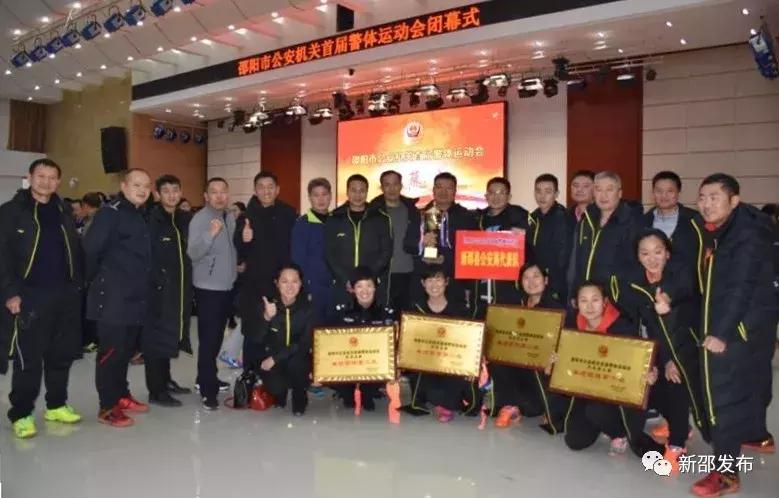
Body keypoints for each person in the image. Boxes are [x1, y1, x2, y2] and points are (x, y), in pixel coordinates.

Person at [688, 174, 778, 497]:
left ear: (734, 200)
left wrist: (721, 333)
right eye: (702, 197)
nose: (706, 204)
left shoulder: (746, 235)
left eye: (714, 197)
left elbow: (740, 286)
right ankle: (756, 435)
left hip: (738, 327)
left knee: (723, 397)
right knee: (751, 385)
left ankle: (726, 475)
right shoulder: (732, 227)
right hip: (756, 325)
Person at [0, 159, 83, 439]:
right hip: (30, 297)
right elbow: (2, 256)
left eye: (52, 177)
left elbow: (74, 251)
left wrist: (78, 287)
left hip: (64, 295)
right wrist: (10, 292)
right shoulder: (11, 212)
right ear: (29, 177)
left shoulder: (63, 211)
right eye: (41, 176)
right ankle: (21, 413)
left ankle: (56, 405)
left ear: (58, 181)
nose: (46, 182)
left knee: (61, 355)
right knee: (29, 359)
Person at [610, 229, 702, 473]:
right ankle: (678, 424)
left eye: (658, 252)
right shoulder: (635, 283)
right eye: (645, 253)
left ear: (667, 253)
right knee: (652, 387)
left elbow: (683, 322)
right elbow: (631, 318)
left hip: (683, 344)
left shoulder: (681, 277)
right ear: (638, 257)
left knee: (674, 382)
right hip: (656, 344)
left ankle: (677, 443)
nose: (652, 259)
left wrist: (672, 359)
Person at [549, 281, 664, 457]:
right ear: (576, 303)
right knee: (574, 441)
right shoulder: (572, 327)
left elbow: (640, 361)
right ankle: (603, 425)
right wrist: (555, 364)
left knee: (595, 410)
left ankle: (618, 433)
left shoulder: (623, 327)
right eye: (583, 300)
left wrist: (650, 372)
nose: (589, 306)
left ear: (605, 302)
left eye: (595, 300)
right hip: (587, 388)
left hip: (616, 394)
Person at [84, 168, 153, 428]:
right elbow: (90, 250)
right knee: (111, 353)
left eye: (146, 186)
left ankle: (121, 395)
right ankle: (107, 406)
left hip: (135, 296)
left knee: (125, 350)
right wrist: (103, 281)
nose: (142, 190)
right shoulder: (109, 213)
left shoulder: (138, 214)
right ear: (123, 186)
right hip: (113, 296)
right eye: (136, 184)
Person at [488, 263, 564, 430]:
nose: (531, 281)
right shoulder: (516, 304)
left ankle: (547, 409)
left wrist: (553, 359)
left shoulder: (556, 309)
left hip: (543, 370)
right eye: (526, 278)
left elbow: (563, 344)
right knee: (496, 358)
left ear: (546, 280)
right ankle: (509, 405)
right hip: (520, 363)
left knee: (532, 408)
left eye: (536, 276)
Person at [235, 171, 297, 373]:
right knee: (254, 333)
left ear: (277, 189)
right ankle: (250, 375)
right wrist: (244, 239)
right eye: (261, 187)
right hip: (254, 286)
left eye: (270, 187)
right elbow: (239, 254)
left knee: (280, 332)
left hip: (283, 285)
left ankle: (276, 376)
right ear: (255, 190)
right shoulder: (245, 217)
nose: (266, 191)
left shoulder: (289, 213)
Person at [141, 175, 193, 408]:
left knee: (171, 335)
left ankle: (166, 380)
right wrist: (157, 281)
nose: (172, 195)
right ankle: (156, 389)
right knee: (156, 340)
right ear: (157, 194)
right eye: (166, 191)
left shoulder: (183, 218)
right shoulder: (151, 219)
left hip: (179, 289)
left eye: (175, 190)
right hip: (157, 290)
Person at [187, 177, 238, 410]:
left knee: (217, 338)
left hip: (227, 286)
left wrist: (237, 266)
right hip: (208, 289)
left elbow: (229, 250)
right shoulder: (200, 219)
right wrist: (210, 234)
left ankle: (206, 378)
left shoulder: (229, 217)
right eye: (214, 192)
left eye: (223, 192)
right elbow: (193, 253)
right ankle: (208, 391)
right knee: (209, 340)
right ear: (206, 196)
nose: (219, 196)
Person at [404, 265, 478, 423]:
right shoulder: (416, 309)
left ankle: (446, 404)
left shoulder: (460, 310)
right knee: (425, 382)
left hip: (452, 364)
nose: (434, 285)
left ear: (446, 282)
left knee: (459, 383)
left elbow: (468, 343)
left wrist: (472, 363)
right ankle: (438, 403)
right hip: (426, 363)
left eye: (438, 279)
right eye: (429, 280)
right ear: (423, 283)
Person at [412, 172, 478, 311]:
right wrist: (421, 242)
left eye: (448, 188)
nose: (443, 192)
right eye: (439, 187)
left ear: (455, 191)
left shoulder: (466, 217)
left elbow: (473, 250)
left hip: (455, 281)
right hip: (426, 281)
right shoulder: (421, 214)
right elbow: (407, 245)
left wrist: (446, 259)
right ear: (433, 190)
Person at [325, 174, 392, 311]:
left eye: (362, 191)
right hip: (343, 284)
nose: (357, 195)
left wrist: (367, 279)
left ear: (367, 192)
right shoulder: (334, 218)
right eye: (353, 190)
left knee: (373, 320)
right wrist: (346, 279)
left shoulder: (380, 218)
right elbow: (329, 253)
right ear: (347, 192)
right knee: (343, 321)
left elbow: (386, 252)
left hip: (371, 285)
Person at [332, 266, 395, 411]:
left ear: (375, 287)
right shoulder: (342, 311)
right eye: (359, 286)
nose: (364, 291)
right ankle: (347, 391)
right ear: (352, 289)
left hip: (373, 365)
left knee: (369, 397)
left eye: (369, 286)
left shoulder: (386, 313)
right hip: (348, 363)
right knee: (348, 401)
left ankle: (369, 392)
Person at [255, 265, 315, 416]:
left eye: (294, 281)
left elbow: (304, 343)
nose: (290, 286)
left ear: (301, 284)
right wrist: (266, 317)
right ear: (277, 283)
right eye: (284, 281)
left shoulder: (307, 308)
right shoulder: (268, 305)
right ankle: (279, 394)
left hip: (297, 358)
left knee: (297, 364)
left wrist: (276, 358)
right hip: (272, 357)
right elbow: (257, 338)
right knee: (275, 386)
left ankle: (299, 396)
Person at [572, 171, 643, 296]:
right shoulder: (586, 220)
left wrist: (618, 295)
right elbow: (578, 261)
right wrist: (575, 291)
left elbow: (636, 266)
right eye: (598, 189)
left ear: (619, 193)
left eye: (609, 190)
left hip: (616, 299)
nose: (603, 195)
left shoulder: (632, 223)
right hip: (587, 296)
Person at [472, 177, 528, 317]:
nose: (496, 197)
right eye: (492, 193)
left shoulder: (519, 216)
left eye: (501, 193)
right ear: (486, 196)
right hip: (481, 284)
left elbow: (532, 245)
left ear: (509, 196)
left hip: (509, 287)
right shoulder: (477, 219)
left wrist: (525, 235)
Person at [369, 170, 419, 311]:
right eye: (387, 185)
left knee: (404, 315)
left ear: (401, 186)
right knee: (381, 315)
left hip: (407, 272)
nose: (392, 189)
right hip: (381, 273)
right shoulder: (373, 212)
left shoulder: (412, 211)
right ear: (381, 188)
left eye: (395, 184)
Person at [292, 178, 334, 324]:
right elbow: (298, 259)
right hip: (313, 288)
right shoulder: (302, 224)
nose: (320, 199)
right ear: (309, 197)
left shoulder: (337, 221)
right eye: (316, 195)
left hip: (336, 288)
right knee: (314, 330)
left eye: (324, 194)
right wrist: (305, 287)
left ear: (330, 196)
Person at [528, 174, 573, 303]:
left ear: (556, 194)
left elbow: (563, 257)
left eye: (548, 191)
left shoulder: (563, 218)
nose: (542, 196)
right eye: (538, 191)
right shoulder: (533, 217)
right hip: (537, 281)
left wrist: (549, 281)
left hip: (555, 284)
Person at [643, 171, 699, 272]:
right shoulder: (642, 221)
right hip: (651, 279)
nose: (664, 195)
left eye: (670, 191)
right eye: (659, 191)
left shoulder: (695, 220)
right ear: (653, 193)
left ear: (678, 193)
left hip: (686, 279)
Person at [220, 200, 248, 369]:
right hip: (239, 280)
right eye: (231, 211)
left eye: (235, 210)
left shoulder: (243, 225)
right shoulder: (233, 226)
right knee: (246, 320)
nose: (232, 213)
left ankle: (230, 353)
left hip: (243, 279)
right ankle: (230, 353)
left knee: (246, 320)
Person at [565, 170, 595, 298]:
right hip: (566, 285)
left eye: (586, 186)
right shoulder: (565, 216)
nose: (579, 190)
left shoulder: (600, 218)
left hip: (591, 287)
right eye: (575, 185)